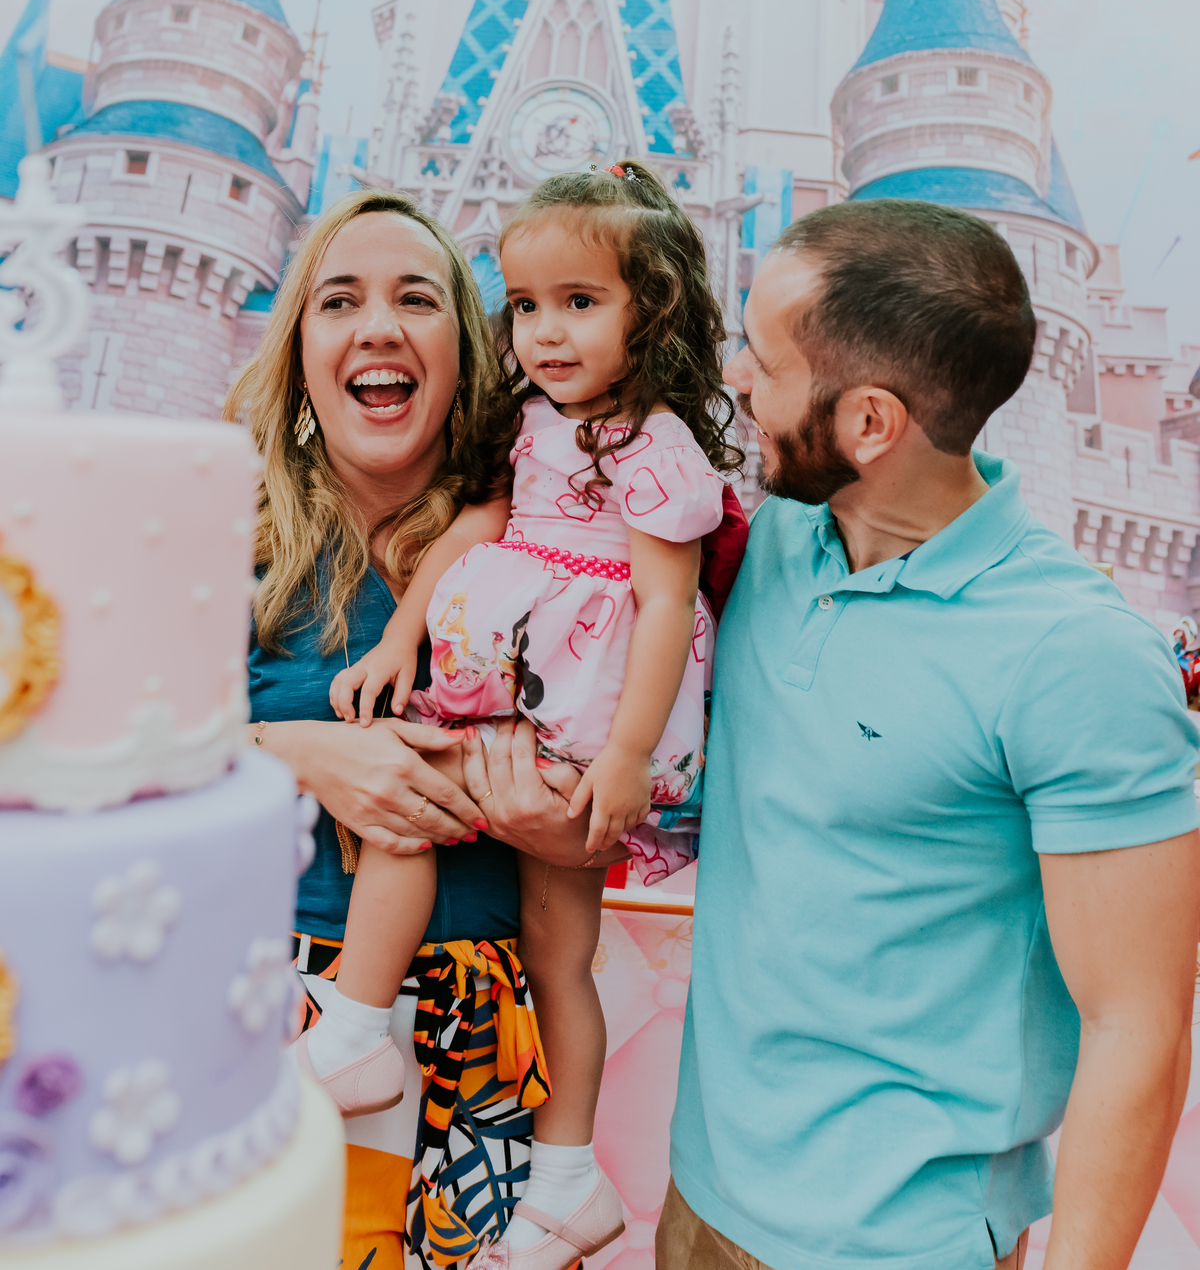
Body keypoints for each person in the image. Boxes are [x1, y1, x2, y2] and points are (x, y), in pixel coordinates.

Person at [661, 198, 1200, 1270]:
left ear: (869, 422)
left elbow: (1138, 1025)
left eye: (762, 362)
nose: (734, 378)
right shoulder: (773, 540)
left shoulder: (1075, 656)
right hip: (698, 1201)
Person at [311, 162, 744, 1270]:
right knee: (405, 809)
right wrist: (403, 634)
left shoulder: (659, 451)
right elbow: (470, 535)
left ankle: (557, 1168)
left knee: (561, 954)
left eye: (581, 302)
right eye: (528, 306)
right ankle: (374, 1034)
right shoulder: (536, 424)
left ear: (652, 310)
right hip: (495, 677)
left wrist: (633, 754)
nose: (546, 332)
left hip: (583, 712)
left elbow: (665, 601)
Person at [225, 188, 618, 1270]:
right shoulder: (223, 531)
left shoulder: (556, 554)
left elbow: (645, 783)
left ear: (471, 352)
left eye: (418, 298)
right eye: (340, 299)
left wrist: (559, 819)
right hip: (262, 1003)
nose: (380, 325)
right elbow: (102, 757)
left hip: (475, 1032)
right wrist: (294, 750)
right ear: (301, 345)